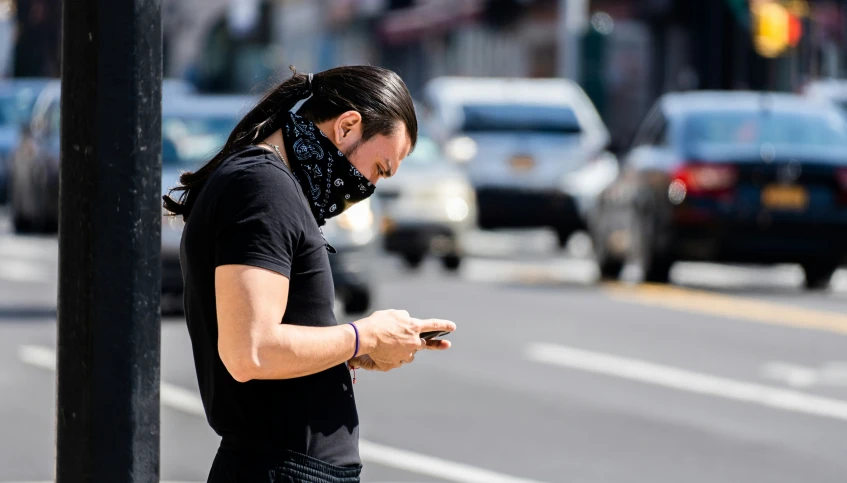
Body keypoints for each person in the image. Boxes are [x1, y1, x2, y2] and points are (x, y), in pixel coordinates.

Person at [163, 65, 457, 483]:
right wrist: (365, 335)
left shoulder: (270, 186)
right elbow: (252, 351)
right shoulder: (262, 188)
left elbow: (273, 342)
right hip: (281, 468)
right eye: (380, 167)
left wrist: (355, 352)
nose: (371, 185)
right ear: (348, 126)